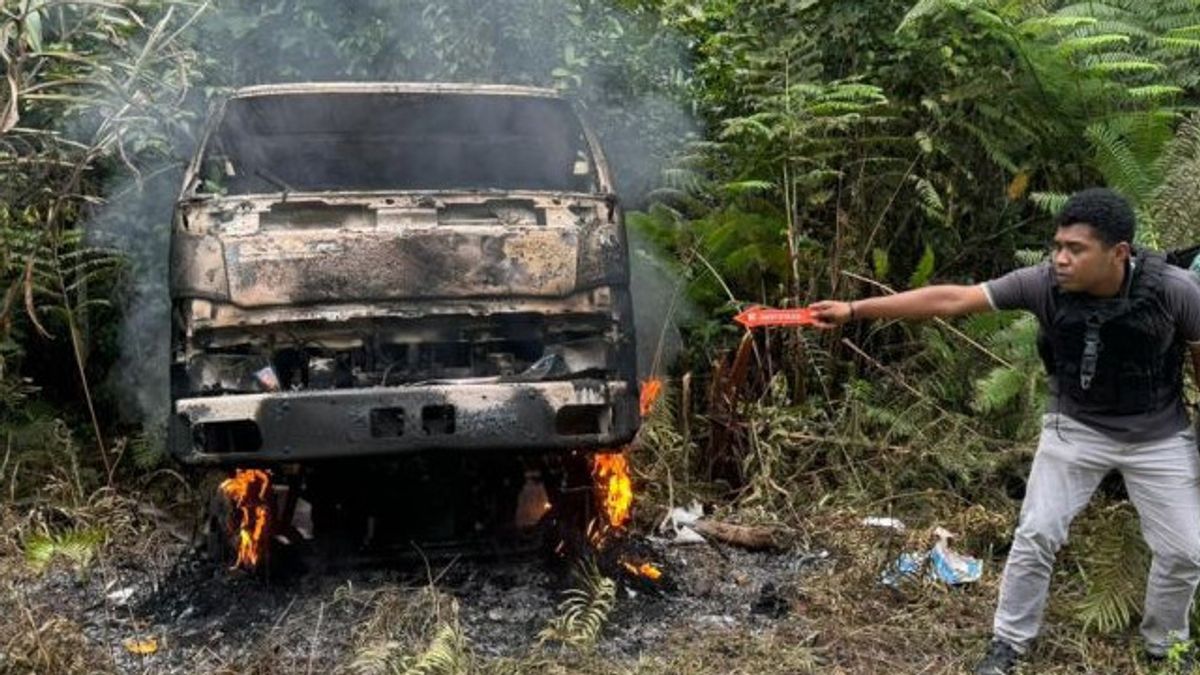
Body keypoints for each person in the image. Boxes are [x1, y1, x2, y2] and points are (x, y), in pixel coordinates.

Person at [809, 188, 1200, 674]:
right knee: (1036, 532)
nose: (1059, 258)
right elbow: (954, 300)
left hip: (1158, 434)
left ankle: (1167, 647)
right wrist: (854, 310)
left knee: (1185, 551)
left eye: (1075, 250)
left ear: (1118, 253)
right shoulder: (1041, 284)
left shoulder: (1175, 291)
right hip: (1074, 427)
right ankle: (1008, 644)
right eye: (1057, 245)